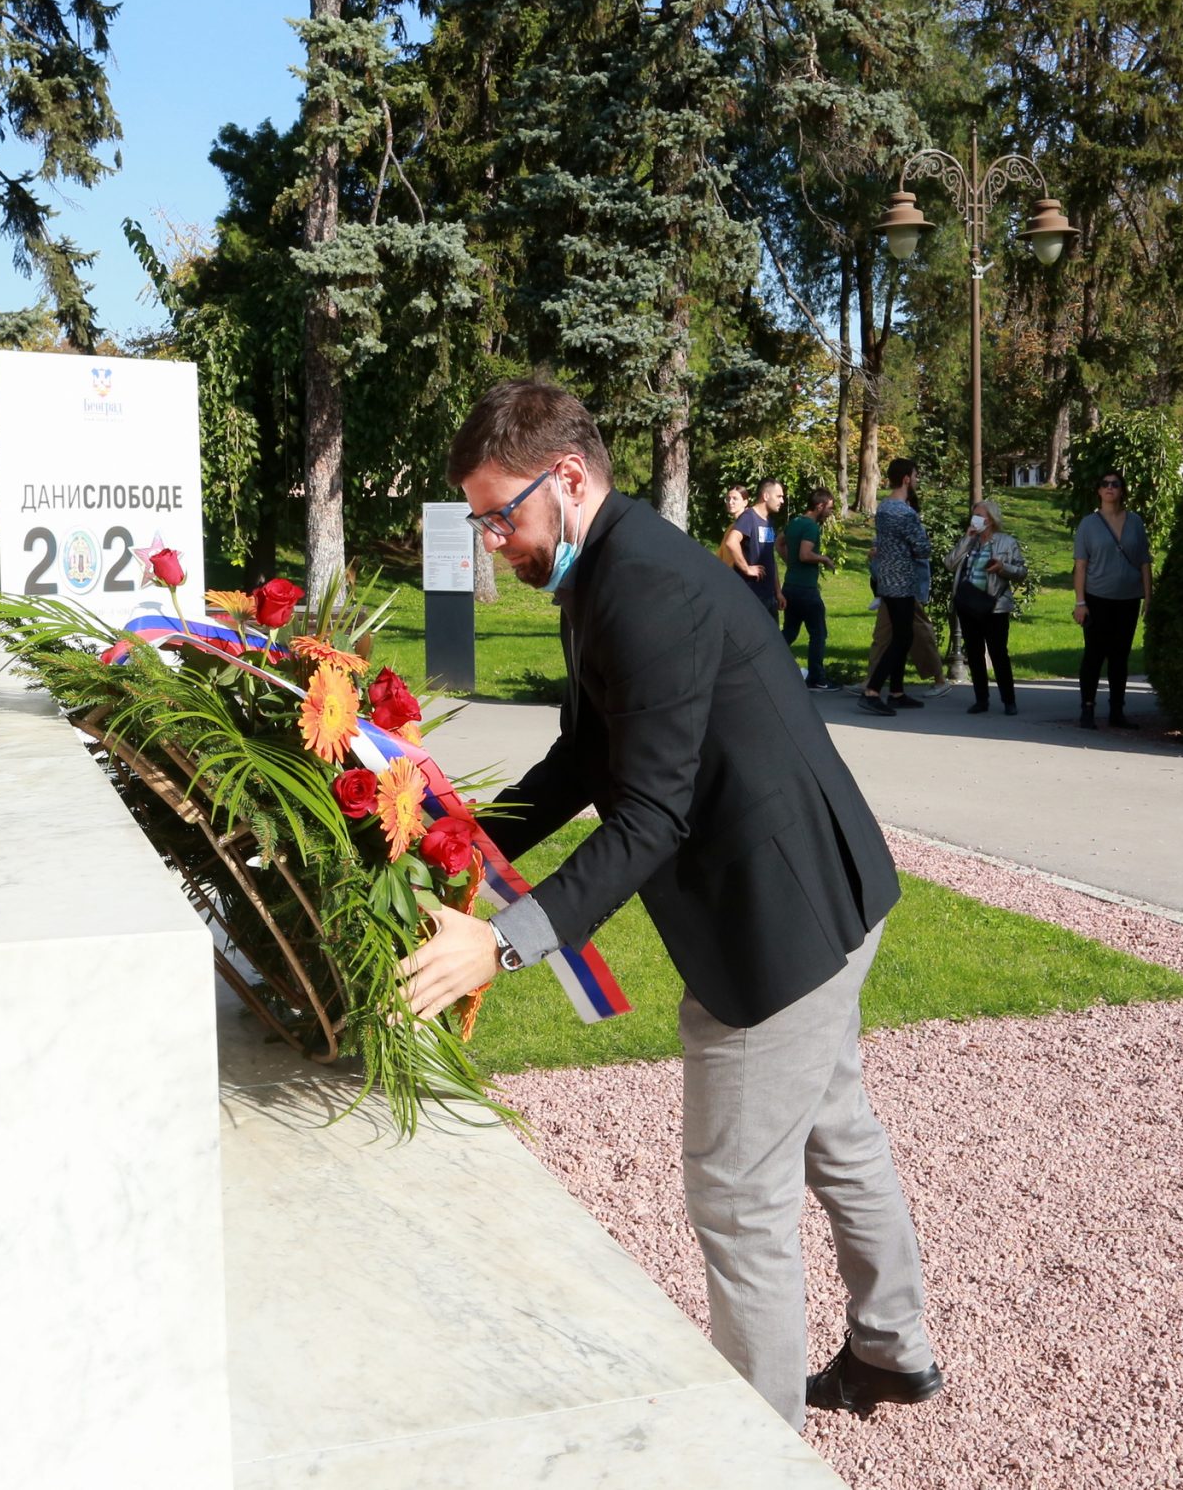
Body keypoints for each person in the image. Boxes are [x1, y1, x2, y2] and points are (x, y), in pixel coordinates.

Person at [403, 381, 945, 1431]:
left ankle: (761, 1450)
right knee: (835, 1126)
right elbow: (586, 755)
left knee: (738, 1193)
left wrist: (503, 943)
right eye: (480, 521)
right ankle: (893, 1348)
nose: (493, 540)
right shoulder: (608, 565)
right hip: (824, 887)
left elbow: (651, 814)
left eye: (499, 514)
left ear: (566, 478)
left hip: (779, 926)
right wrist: (457, 837)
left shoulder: (640, 583)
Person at [1071, 471, 1153, 729]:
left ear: (1122, 490)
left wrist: (1148, 597)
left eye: (1115, 484)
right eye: (1105, 484)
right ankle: (1087, 708)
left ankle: (1117, 711)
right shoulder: (1088, 524)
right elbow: (1080, 566)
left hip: (1128, 599)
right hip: (1097, 598)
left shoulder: (1135, 522)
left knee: (1120, 656)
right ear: (1099, 490)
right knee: (1094, 655)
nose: (1109, 488)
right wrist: (1080, 602)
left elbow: (1144, 562)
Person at [859, 459, 933, 718]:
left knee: (902, 634)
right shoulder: (905, 513)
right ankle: (872, 691)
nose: (917, 480)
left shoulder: (883, 507)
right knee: (902, 637)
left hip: (885, 579)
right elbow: (923, 548)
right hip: (902, 581)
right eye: (915, 475)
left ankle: (897, 692)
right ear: (906, 479)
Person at [947, 498, 1025, 716]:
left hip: (994, 606)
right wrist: (966, 539)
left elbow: (1021, 572)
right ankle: (981, 700)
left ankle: (1009, 700)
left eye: (979, 516)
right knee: (974, 653)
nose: (975, 519)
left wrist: (1002, 567)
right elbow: (949, 563)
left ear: (990, 520)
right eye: (974, 515)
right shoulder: (970, 541)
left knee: (998, 653)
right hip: (968, 605)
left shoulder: (1006, 542)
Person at [782, 488, 839, 690]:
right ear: (819, 506)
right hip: (806, 589)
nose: (830, 513)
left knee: (789, 631)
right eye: (829, 508)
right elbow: (805, 555)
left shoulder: (795, 522)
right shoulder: (811, 527)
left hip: (790, 585)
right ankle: (816, 678)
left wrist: (790, 562)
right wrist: (824, 559)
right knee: (818, 633)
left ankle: (766, 662)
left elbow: (779, 543)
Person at [722, 478, 785, 622]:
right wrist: (747, 569)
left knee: (772, 635)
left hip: (769, 595)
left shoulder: (769, 521)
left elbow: (770, 559)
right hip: (751, 593)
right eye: (779, 496)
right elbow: (731, 542)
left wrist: (778, 592)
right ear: (766, 496)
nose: (782, 501)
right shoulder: (749, 517)